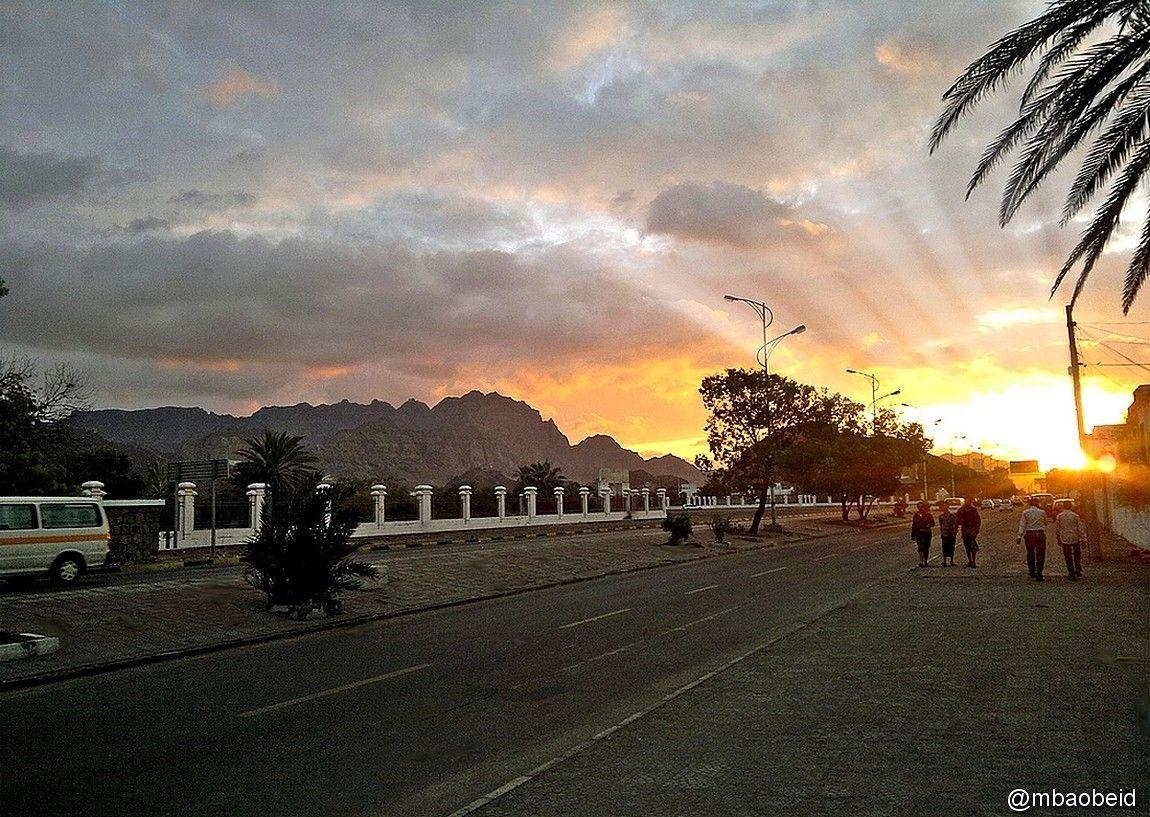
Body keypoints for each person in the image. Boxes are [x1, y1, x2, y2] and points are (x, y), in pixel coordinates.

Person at [1017, 496, 1048, 581]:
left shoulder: (1025, 512)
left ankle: (1032, 572)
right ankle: (1039, 573)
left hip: (1029, 534)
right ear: (1038, 503)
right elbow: (1046, 523)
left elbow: (1022, 525)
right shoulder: (1042, 512)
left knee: (1030, 553)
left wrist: (1019, 536)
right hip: (1040, 533)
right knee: (1040, 554)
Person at [1054, 501, 1086, 581]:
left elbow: (1058, 529)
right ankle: (1078, 569)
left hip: (1065, 538)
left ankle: (1071, 572)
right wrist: (1083, 539)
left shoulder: (1059, 516)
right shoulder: (1075, 516)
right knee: (1077, 555)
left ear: (1063, 507)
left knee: (1068, 556)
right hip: (1075, 537)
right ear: (1071, 506)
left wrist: (1058, 538)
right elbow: (1080, 528)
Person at [954, 496, 982, 568]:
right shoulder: (961, 510)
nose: (967, 502)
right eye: (966, 501)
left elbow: (978, 520)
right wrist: (956, 527)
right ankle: (970, 560)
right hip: (965, 529)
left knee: (972, 545)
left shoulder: (973, 510)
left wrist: (977, 529)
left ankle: (973, 561)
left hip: (972, 529)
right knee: (967, 546)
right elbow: (957, 519)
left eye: (968, 501)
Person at [911, 501, 935, 568]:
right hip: (919, 533)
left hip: (927, 533)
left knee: (926, 547)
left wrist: (929, 525)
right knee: (920, 547)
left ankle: (925, 561)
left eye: (922, 507)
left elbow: (933, 523)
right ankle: (921, 561)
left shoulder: (929, 515)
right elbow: (914, 525)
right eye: (919, 507)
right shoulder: (916, 516)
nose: (920, 508)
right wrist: (913, 535)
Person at [937, 501, 958, 566]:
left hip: (951, 533)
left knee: (951, 546)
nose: (944, 507)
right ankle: (944, 560)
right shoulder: (941, 516)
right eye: (943, 506)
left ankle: (951, 560)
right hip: (944, 533)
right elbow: (941, 524)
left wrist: (955, 532)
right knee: (944, 546)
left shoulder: (952, 516)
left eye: (945, 506)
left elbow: (955, 524)